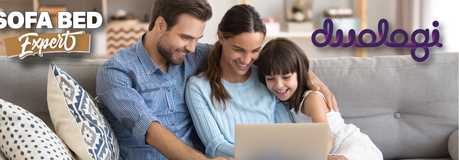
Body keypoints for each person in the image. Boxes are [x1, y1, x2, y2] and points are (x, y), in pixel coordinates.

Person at [96, 0, 337, 159]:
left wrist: (308, 76)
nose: (192, 47)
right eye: (185, 37)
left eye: (197, 38)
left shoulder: (191, 54)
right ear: (160, 24)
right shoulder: (117, 72)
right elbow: (150, 130)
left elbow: (252, 54)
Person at [256, 37, 383, 160]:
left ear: (300, 73)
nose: (278, 85)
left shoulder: (312, 98)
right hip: (330, 153)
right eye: (270, 79)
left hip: (351, 145)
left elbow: (325, 137)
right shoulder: (285, 101)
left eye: (286, 77)